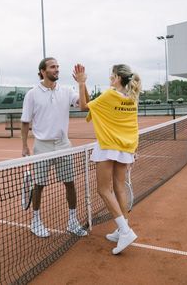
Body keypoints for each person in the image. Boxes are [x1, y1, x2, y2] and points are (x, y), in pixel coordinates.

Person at [73, 63, 141, 254]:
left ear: (118, 77)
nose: (110, 77)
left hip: (108, 146)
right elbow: (134, 125)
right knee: (119, 188)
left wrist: (80, 83)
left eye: (112, 75)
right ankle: (122, 228)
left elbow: (84, 106)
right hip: (126, 147)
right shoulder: (132, 97)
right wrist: (135, 149)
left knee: (103, 190)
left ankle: (126, 231)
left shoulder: (110, 95)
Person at [21, 57, 88, 238]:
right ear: (43, 71)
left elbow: (84, 106)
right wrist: (24, 146)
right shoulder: (32, 94)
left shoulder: (67, 90)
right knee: (39, 185)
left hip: (64, 144)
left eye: (58, 66)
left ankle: (72, 221)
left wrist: (82, 84)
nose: (57, 69)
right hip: (42, 145)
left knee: (70, 183)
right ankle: (35, 221)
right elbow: (25, 122)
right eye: (53, 67)